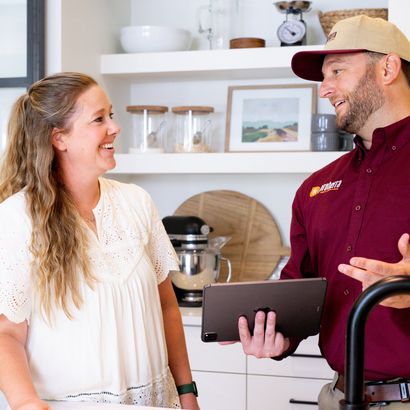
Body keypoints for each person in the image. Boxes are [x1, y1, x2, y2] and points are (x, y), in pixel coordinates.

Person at [236, 15, 410, 410]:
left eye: (337, 71)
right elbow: (300, 287)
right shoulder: (316, 188)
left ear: (388, 67)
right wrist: (278, 335)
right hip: (337, 397)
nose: (324, 89)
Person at [0, 72, 199, 410]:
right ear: (59, 138)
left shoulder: (137, 202)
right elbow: (6, 333)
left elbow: (167, 307)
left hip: (156, 403)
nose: (114, 127)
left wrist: (187, 392)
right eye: (98, 119)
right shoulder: (17, 219)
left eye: (111, 115)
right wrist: (24, 403)